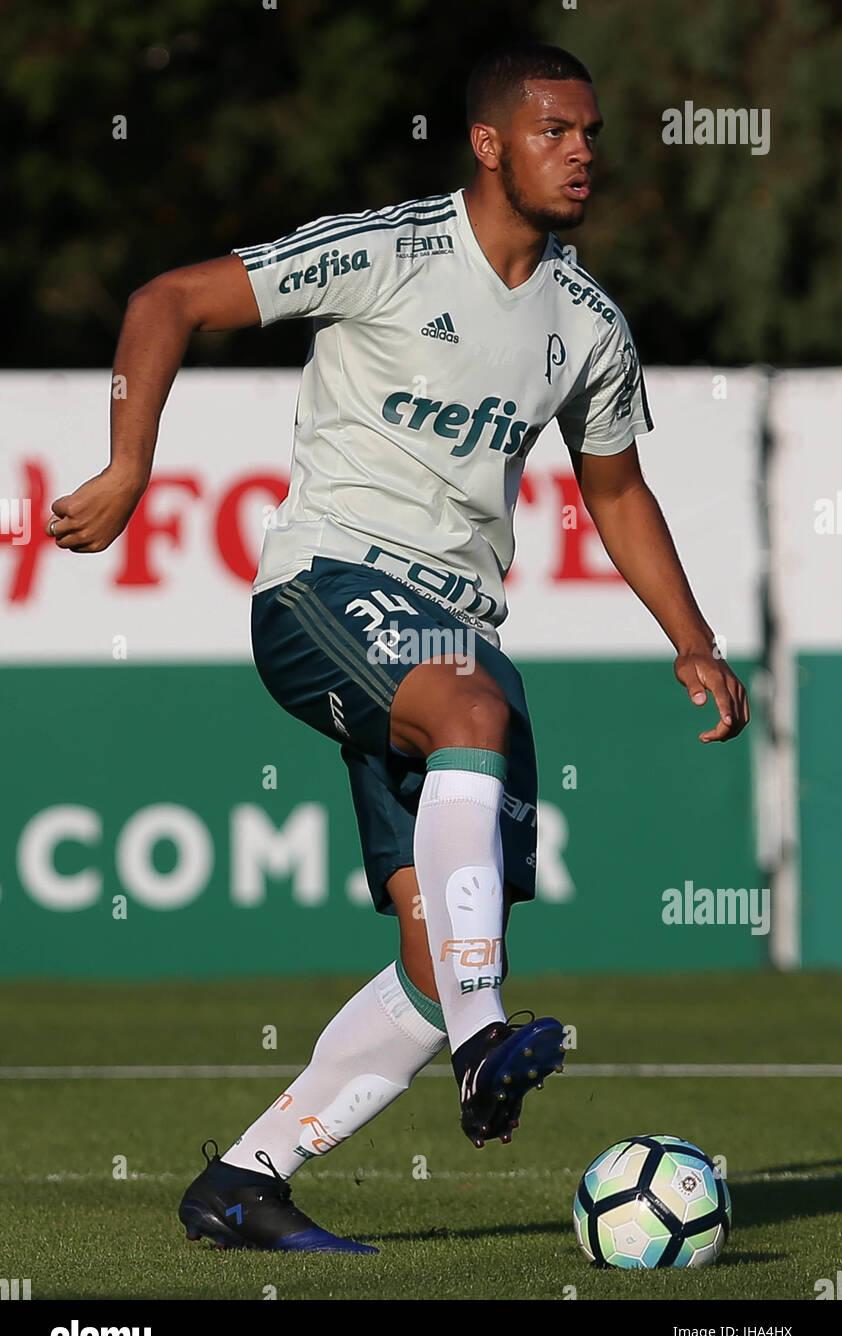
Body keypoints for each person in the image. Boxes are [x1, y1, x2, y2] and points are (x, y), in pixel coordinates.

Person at [46, 40, 749, 1254]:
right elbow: (166, 298)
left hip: (454, 629)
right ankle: (487, 1038)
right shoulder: (389, 250)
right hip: (325, 585)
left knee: (436, 955)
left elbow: (617, 490)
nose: (581, 151)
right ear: (488, 144)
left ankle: (244, 1179)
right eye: (553, 131)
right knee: (471, 719)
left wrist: (689, 637)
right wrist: (127, 464)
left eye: (589, 132)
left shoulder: (586, 324)